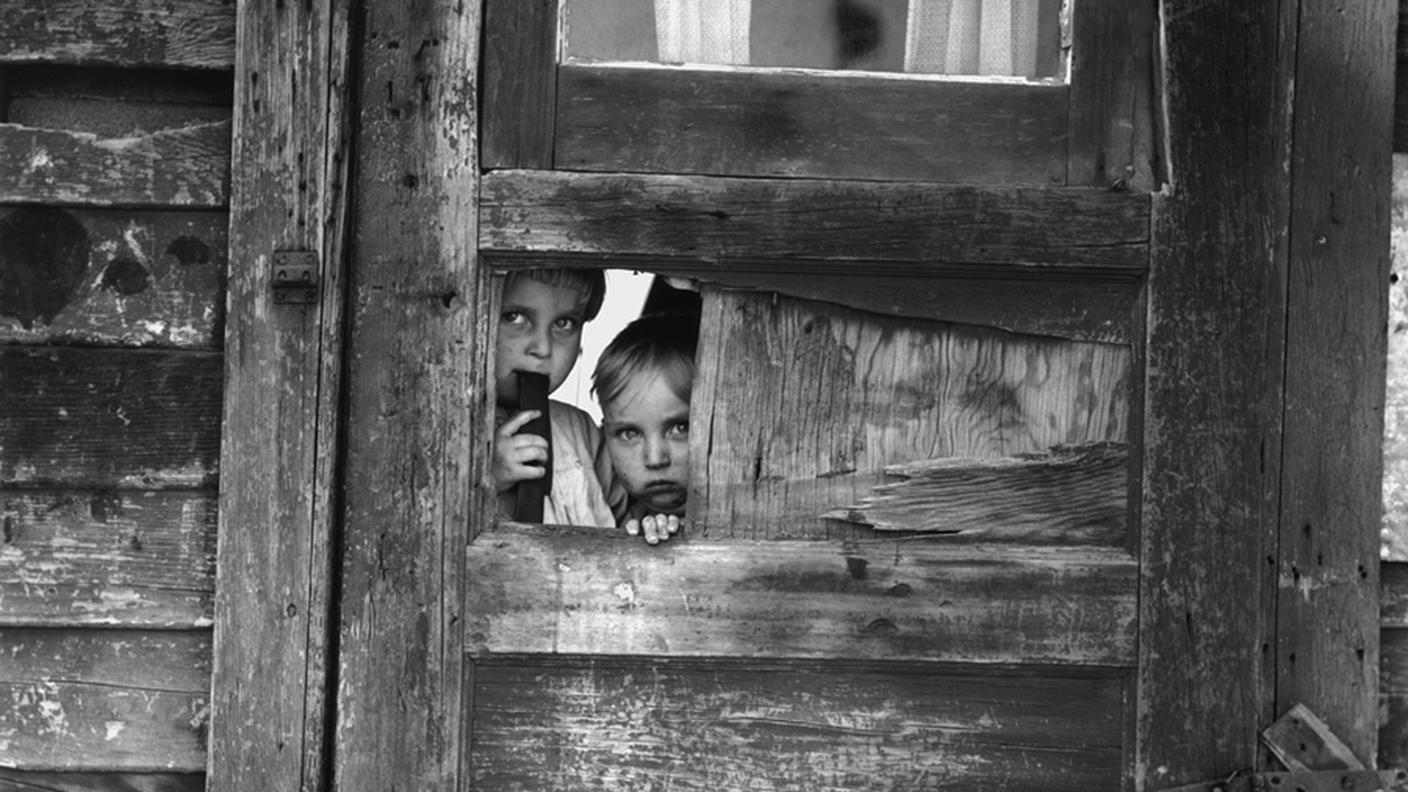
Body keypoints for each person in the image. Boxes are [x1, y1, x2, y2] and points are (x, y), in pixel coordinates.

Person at [493, 268, 616, 527]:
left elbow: (627, 515)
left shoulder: (580, 430)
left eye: (563, 324)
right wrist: (486, 478)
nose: (543, 348)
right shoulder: (440, 431)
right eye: (514, 317)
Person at [592, 313, 698, 545]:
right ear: (605, 436)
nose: (655, 459)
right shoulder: (617, 521)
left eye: (681, 428)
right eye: (630, 434)